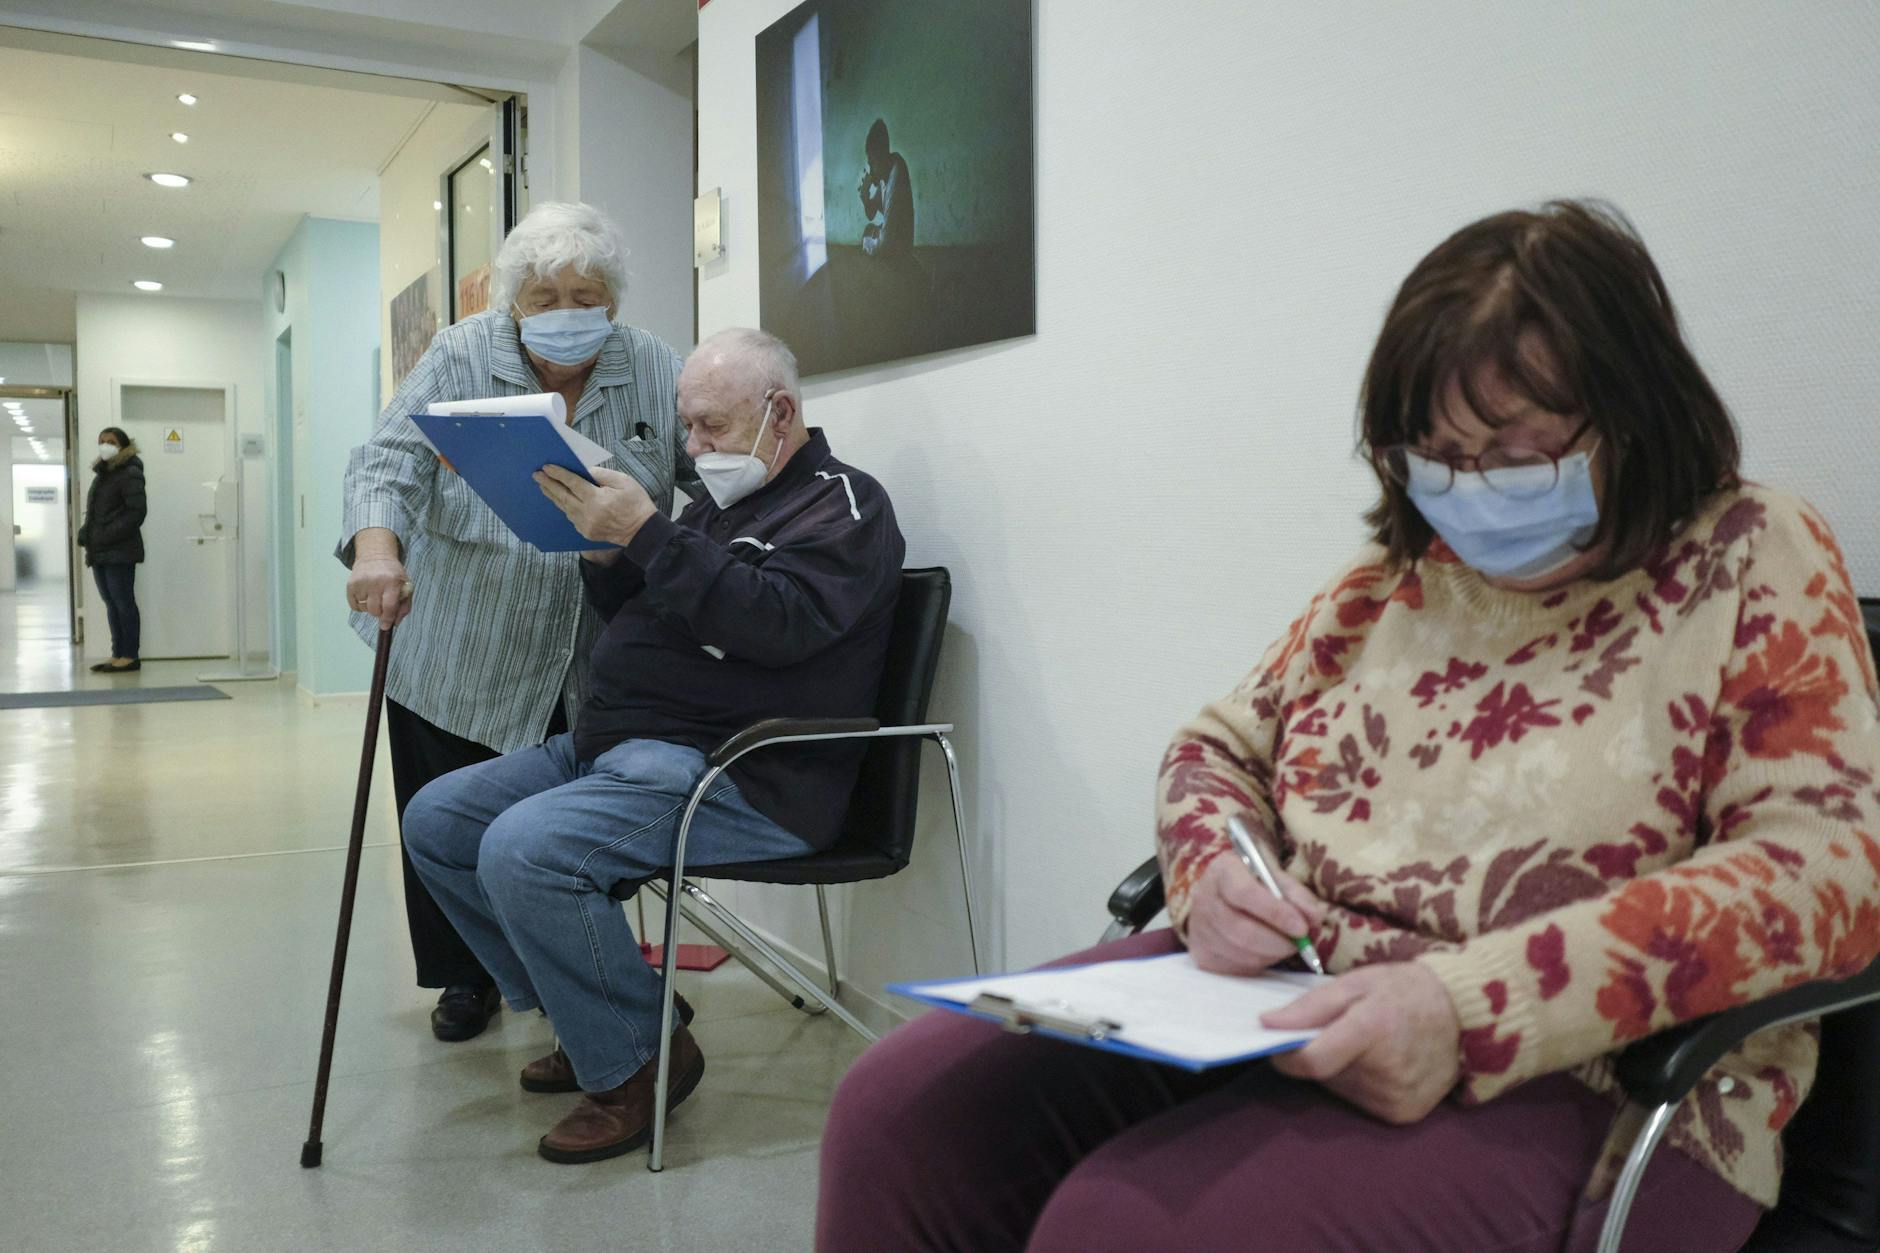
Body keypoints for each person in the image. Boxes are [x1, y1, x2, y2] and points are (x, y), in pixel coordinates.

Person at [817, 201, 1880, 1252]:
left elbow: (1823, 869)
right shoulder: (1386, 586)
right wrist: (1209, 872)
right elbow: (1214, 748)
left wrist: (1461, 1003)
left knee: (1125, 1229)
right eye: (1433, 457)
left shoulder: (1748, 554)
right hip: (1296, 998)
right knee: (898, 1118)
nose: (1467, 494)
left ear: (1632, 415)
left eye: (1513, 457)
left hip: (1593, 1065)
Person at [400, 327, 905, 1164]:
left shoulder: (845, 506)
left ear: (780, 412)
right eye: (689, 430)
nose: (695, 447)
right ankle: (596, 1013)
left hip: (738, 769)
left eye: (711, 426)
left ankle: (636, 1063)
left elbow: (775, 623)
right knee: (438, 820)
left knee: (524, 851)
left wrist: (648, 535)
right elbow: (662, 615)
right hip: (624, 745)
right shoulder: (718, 504)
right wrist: (610, 555)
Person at [338, 201, 695, 1043]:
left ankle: (584, 975)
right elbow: (387, 458)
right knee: (438, 811)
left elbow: (700, 475)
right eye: (544, 296)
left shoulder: (650, 365)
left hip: (586, 653)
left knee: (562, 829)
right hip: (461, 636)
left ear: (613, 299)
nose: (567, 312)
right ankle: (466, 977)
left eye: (586, 293)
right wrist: (376, 551)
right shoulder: (462, 353)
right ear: (512, 301)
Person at [76, 426, 146, 674]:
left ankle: (130, 655)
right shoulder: (103, 474)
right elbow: (97, 512)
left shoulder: (130, 472)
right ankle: (117, 653)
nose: (105, 445)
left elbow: (136, 512)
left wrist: (105, 536)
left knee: (123, 602)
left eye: (111, 441)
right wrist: (86, 532)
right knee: (111, 603)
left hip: (120, 550)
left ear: (123, 446)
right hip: (100, 550)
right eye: (102, 440)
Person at [858, 118, 914, 260]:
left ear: (882, 156)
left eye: (872, 163)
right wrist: (865, 197)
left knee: (867, 238)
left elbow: (885, 246)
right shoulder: (884, 173)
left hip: (899, 250)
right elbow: (871, 213)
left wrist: (867, 242)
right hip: (891, 241)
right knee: (868, 229)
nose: (870, 170)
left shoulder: (896, 173)